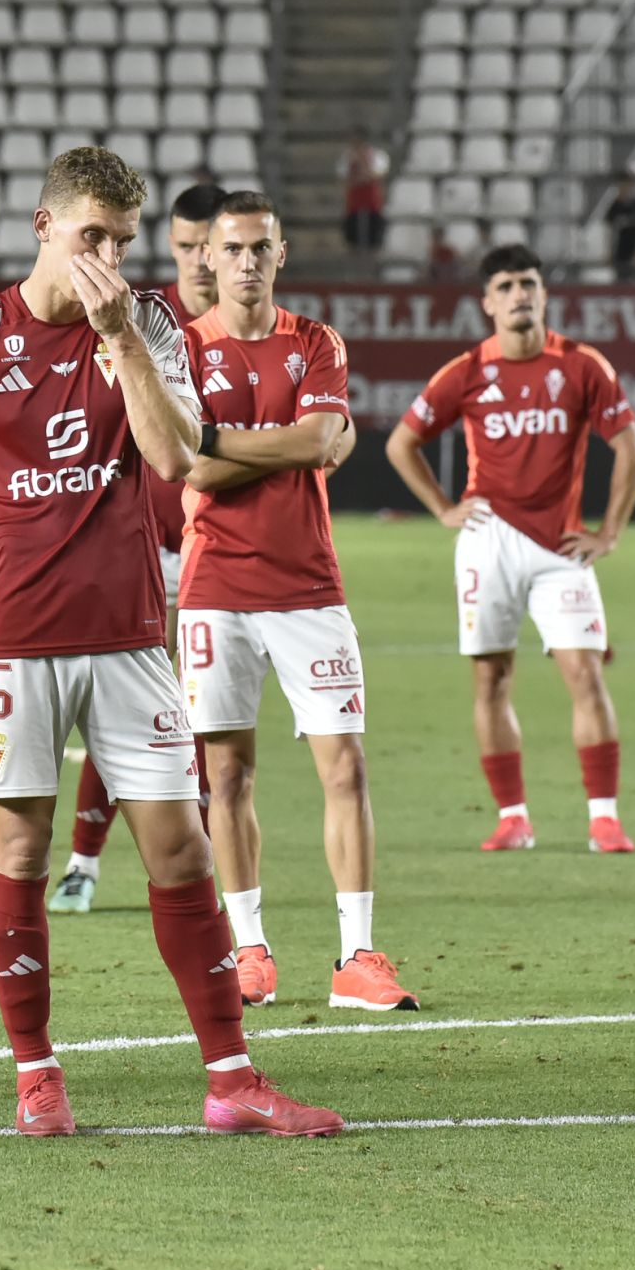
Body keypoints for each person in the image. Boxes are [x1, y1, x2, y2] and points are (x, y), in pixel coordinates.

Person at [0, 148, 343, 1139]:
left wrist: (124, 347)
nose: (107, 254)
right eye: (89, 235)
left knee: (180, 850)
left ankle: (231, 1080)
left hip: (130, 637)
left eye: (121, 239)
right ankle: (36, 1075)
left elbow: (176, 456)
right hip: (14, 636)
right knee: (19, 845)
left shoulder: (144, 324)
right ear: (44, 227)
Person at [177, 190, 417, 1014]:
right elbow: (192, 470)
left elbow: (303, 443)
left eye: (260, 248)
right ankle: (250, 951)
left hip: (308, 584)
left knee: (344, 766)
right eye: (232, 248)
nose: (246, 261)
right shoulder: (181, 347)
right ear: (208, 258)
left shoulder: (315, 342)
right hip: (214, 589)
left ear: (281, 256)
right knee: (228, 774)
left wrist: (225, 444)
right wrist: (293, 448)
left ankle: (358, 956)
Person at [385, 243, 635, 857]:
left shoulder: (583, 366)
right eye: (505, 286)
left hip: (562, 545)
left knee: (584, 673)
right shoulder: (467, 371)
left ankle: (604, 818)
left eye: (528, 282)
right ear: (487, 303)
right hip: (489, 541)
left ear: (544, 293)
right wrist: (444, 508)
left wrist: (609, 532)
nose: (519, 294)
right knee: (491, 681)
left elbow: (632, 448)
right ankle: (513, 817)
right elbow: (403, 443)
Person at [52, 180, 226, 916]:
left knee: (209, 720)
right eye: (183, 247)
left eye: (208, 248)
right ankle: (84, 862)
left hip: (225, 553)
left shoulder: (255, 335)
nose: (195, 262)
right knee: (130, 713)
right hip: (144, 550)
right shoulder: (138, 320)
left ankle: (217, 875)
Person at [337, 126, 390, 256]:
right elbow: (344, 178)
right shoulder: (347, 157)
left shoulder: (377, 155)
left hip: (372, 200)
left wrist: (362, 169)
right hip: (354, 201)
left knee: (374, 235)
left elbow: (378, 175)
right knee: (352, 236)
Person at [605, 175, 635, 282]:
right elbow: (610, 229)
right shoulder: (616, 205)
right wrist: (609, 251)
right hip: (621, 251)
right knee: (622, 281)